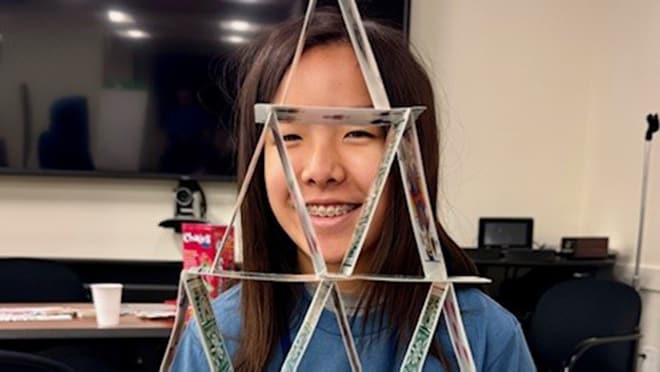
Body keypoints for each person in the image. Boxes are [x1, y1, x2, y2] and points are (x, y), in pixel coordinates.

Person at [171, 9, 535, 372]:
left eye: (357, 132)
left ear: (410, 151)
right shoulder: (218, 335)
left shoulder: (484, 336)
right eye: (289, 137)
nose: (320, 170)